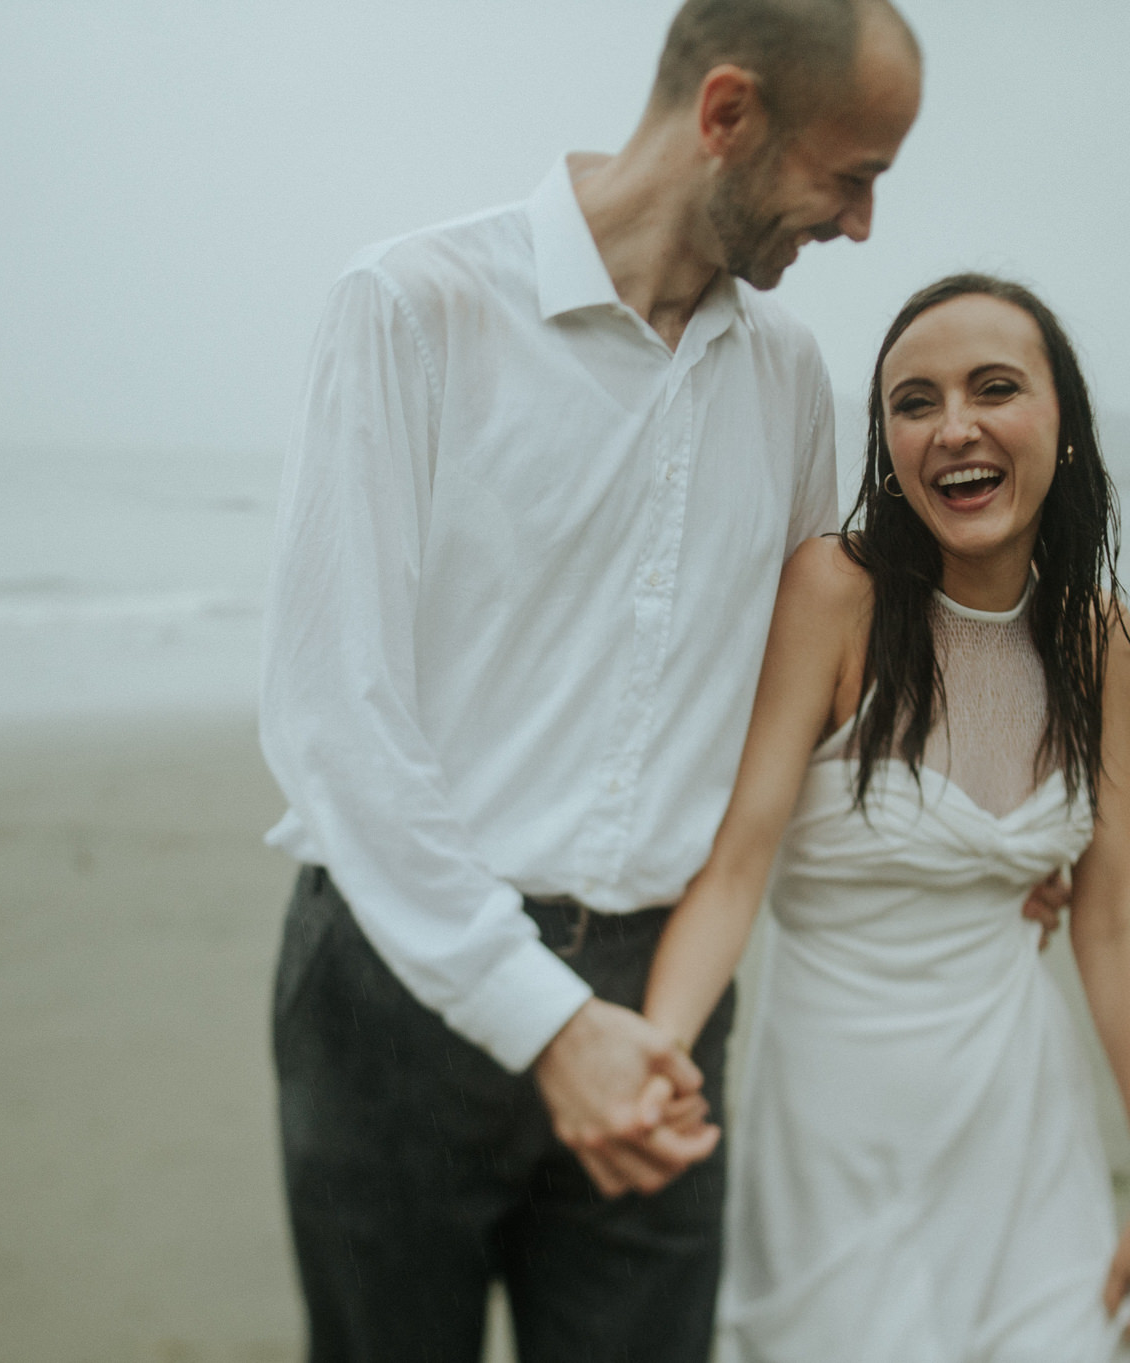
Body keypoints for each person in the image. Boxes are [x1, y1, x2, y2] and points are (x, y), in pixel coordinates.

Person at [257, 3, 935, 1359]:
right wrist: (546, 1020)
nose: (861, 224)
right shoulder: (412, 305)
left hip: (666, 998)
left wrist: (983, 845)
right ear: (727, 115)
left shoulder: (790, 376)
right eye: (851, 175)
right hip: (399, 983)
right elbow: (337, 716)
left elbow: (796, 709)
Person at [641, 274, 1130, 1359]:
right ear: (885, 441)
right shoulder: (834, 594)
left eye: (994, 389)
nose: (954, 429)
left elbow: (1114, 910)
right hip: (834, 1142)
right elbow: (735, 866)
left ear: (1064, 425)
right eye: (913, 402)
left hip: (1024, 1131)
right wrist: (654, 1061)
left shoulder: (1096, 638)